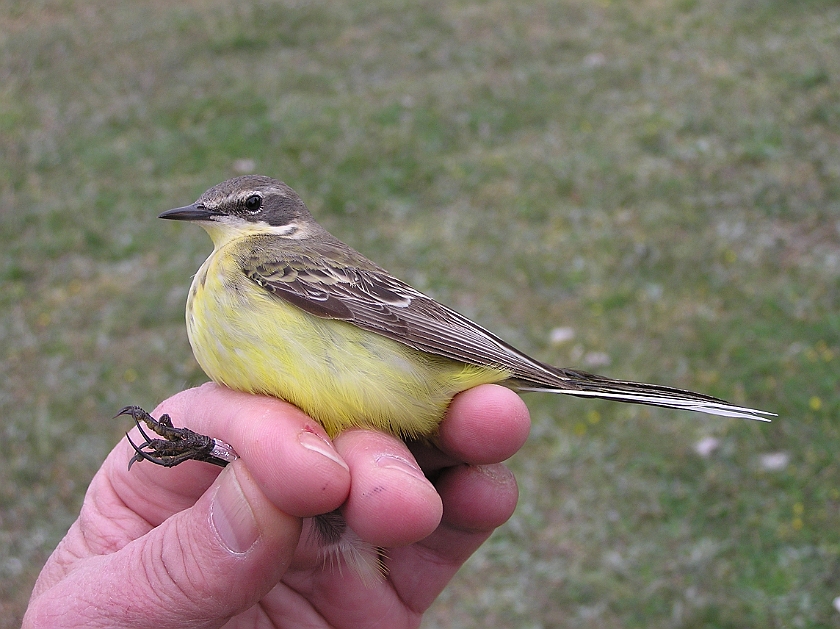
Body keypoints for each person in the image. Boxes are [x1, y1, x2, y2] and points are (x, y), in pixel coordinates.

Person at [23, 382, 530, 628]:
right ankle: (215, 450)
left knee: (303, 466)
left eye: (246, 206)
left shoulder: (266, 262)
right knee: (296, 463)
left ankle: (215, 451)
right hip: (324, 502)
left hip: (335, 487)